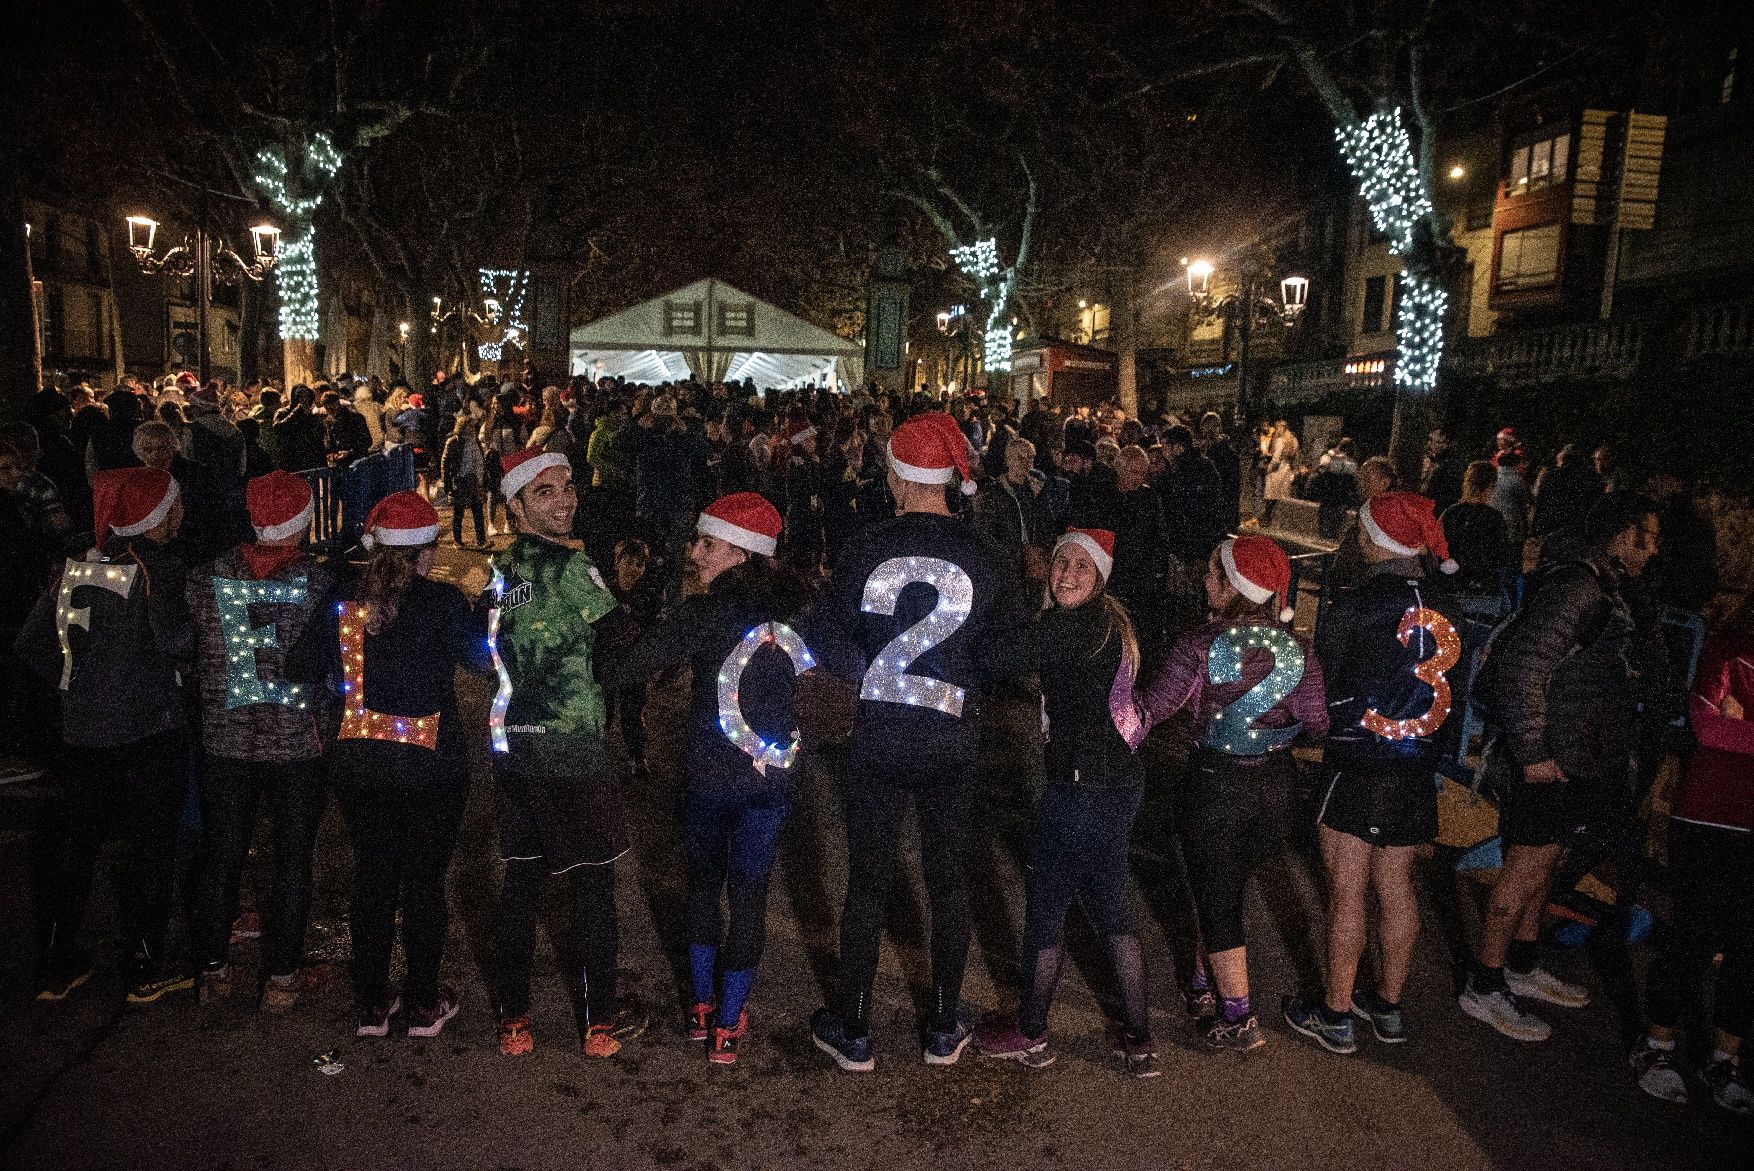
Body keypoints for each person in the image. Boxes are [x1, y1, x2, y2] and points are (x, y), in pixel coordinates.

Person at [808, 412, 1030, 1072]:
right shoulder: (986, 554)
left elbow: (825, 632)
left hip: (879, 730)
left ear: (901, 474)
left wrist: (865, 666)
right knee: (949, 879)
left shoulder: (866, 543)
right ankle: (940, 1025)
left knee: (868, 881)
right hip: (952, 737)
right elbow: (1010, 651)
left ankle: (853, 1027)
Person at [608, 494, 820, 1064]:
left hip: (707, 779)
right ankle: (729, 1025)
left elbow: (622, 669)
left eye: (706, 543)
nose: (693, 553)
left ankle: (703, 1009)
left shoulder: (702, 614)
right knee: (749, 894)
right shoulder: (800, 613)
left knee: (703, 888)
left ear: (738, 551)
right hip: (768, 781)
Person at [286, 492, 491, 1039]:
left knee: (372, 878)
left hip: (360, 762)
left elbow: (299, 664)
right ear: (426, 551)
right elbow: (481, 662)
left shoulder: (344, 596)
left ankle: (374, 1003)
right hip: (432, 766)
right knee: (425, 882)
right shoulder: (442, 602)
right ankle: (424, 1001)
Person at [1459, 492, 1661, 1042]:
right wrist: (1534, 754)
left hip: (1573, 755)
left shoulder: (1602, 586)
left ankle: (1521, 967)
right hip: (1547, 758)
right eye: (1649, 536)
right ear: (1622, 536)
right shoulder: (1579, 587)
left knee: (1545, 863)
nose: (1655, 549)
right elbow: (1521, 666)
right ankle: (1485, 985)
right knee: (1524, 868)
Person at [972, 529, 1161, 1077]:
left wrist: (999, 597)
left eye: (1081, 565)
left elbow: (999, 658)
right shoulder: (1112, 623)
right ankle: (1139, 1038)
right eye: (1060, 563)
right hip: (1119, 783)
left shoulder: (1066, 626)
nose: (1067, 573)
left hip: (1078, 790)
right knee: (1112, 911)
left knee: (1046, 914)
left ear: (1099, 574)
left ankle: (1030, 1032)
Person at [1284, 493, 1463, 1054]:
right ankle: (1387, 1005)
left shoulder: (1356, 603)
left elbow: (1325, 681)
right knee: (1397, 886)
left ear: (1374, 540)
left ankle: (1335, 1014)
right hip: (1417, 761)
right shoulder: (1447, 603)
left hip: (1360, 761)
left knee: (1347, 889)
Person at [1135, 535, 1328, 1051]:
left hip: (1218, 788)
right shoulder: (1300, 649)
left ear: (1235, 585)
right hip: (1277, 791)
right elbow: (1318, 723)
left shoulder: (1200, 645)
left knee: (1217, 898)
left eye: (1213, 574)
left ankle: (1239, 1017)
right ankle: (1205, 978)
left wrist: (1102, 717)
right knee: (1222, 885)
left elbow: (1153, 707)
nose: (1204, 581)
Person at [485, 450, 647, 1058]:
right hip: (574, 748)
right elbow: (615, 647)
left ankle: (515, 1021)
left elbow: (493, 646)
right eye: (545, 492)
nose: (565, 499)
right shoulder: (578, 572)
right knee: (592, 886)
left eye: (568, 486)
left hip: (512, 745)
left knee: (522, 880)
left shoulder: (501, 574)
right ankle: (599, 1021)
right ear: (517, 505)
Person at [19, 468, 196, 1004]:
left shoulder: (76, 564)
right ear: (157, 516)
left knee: (78, 841)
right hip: (148, 729)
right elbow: (179, 642)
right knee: (151, 844)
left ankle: (58, 959)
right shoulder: (157, 569)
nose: (182, 512)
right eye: (175, 504)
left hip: (83, 730)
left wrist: (81, 685)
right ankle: (146, 962)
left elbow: (33, 644)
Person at [187, 470, 334, 1013]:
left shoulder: (205, 578)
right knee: (292, 859)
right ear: (304, 522)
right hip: (297, 742)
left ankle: (212, 970)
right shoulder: (320, 585)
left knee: (221, 856)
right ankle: (280, 978)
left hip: (225, 740)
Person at [1631, 597, 1754, 1113]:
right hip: (1707, 819)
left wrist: (1740, 726)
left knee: (1748, 951)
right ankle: (1656, 1048)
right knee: (1693, 936)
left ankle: (1725, 1061)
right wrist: (1728, 722)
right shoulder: (1728, 652)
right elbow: (1707, 727)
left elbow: (1728, 730)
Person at [972, 436, 1050, 589]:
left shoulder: (1037, 490)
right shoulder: (994, 492)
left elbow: (1045, 524)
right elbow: (985, 531)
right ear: (1008, 460)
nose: (1026, 462)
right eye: (1020, 457)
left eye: (1030, 457)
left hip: (1031, 563)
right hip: (1006, 564)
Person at [1441, 460, 1514, 604]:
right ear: (1491, 486)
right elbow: (1501, 554)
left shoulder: (1451, 513)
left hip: (1450, 582)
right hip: (1483, 585)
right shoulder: (1494, 518)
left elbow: (1437, 544)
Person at [440, 410, 488, 548]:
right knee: (459, 512)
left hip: (473, 479)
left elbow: (480, 461)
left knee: (477, 511)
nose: (472, 429)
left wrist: (481, 479)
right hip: (460, 480)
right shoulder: (453, 442)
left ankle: (481, 540)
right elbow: (445, 463)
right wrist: (447, 484)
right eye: (469, 427)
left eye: (473, 427)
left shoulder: (475, 441)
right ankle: (458, 540)